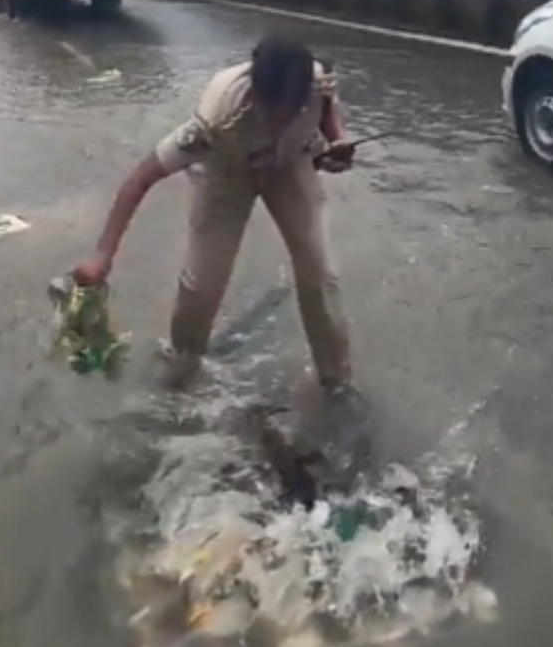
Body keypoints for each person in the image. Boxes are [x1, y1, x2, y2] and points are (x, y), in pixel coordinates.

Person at [72, 36, 359, 395]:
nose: (278, 124)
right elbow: (141, 179)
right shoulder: (214, 120)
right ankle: (181, 369)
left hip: (290, 167)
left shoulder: (316, 82)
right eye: (272, 113)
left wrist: (337, 143)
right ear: (255, 93)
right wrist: (102, 256)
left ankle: (337, 383)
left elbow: (328, 107)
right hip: (228, 171)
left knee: (319, 274)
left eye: (292, 111)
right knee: (201, 285)